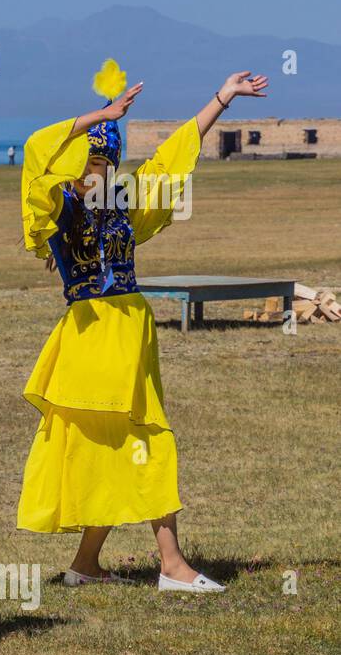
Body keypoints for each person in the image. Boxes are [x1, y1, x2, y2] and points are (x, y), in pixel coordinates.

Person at [17, 60, 269, 592]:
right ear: (78, 165)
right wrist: (98, 115)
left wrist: (221, 98)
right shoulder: (57, 208)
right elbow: (36, 151)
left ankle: (85, 565)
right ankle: (172, 566)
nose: (104, 174)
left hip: (130, 332)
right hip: (92, 334)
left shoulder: (125, 210)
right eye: (96, 164)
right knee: (151, 440)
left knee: (109, 448)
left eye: (109, 164)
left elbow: (172, 158)